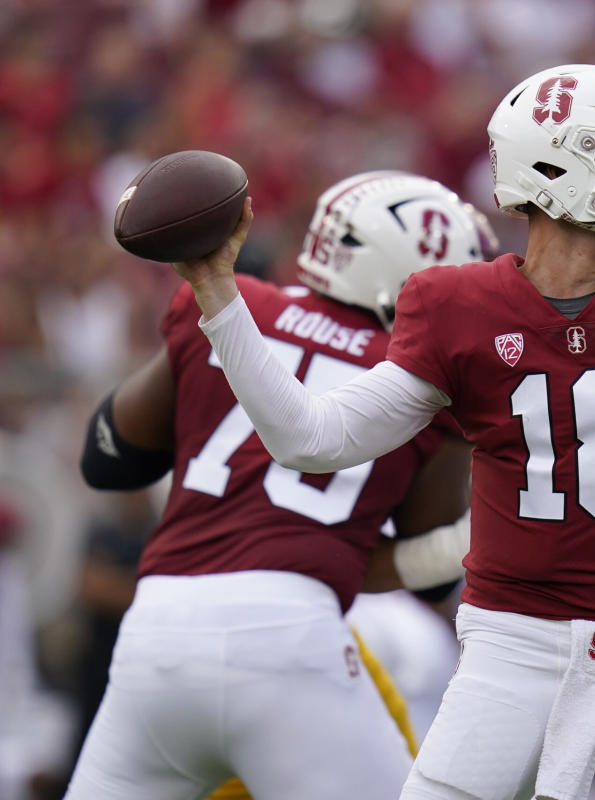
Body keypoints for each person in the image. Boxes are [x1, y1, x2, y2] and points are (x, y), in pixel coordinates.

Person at [167, 63, 595, 800]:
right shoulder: (457, 304)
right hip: (515, 651)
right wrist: (217, 292)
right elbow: (311, 440)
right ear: (550, 162)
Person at [65, 170, 496, 800]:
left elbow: (108, 457)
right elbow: (429, 577)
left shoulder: (231, 306)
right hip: (291, 643)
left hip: (156, 630)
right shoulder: (420, 381)